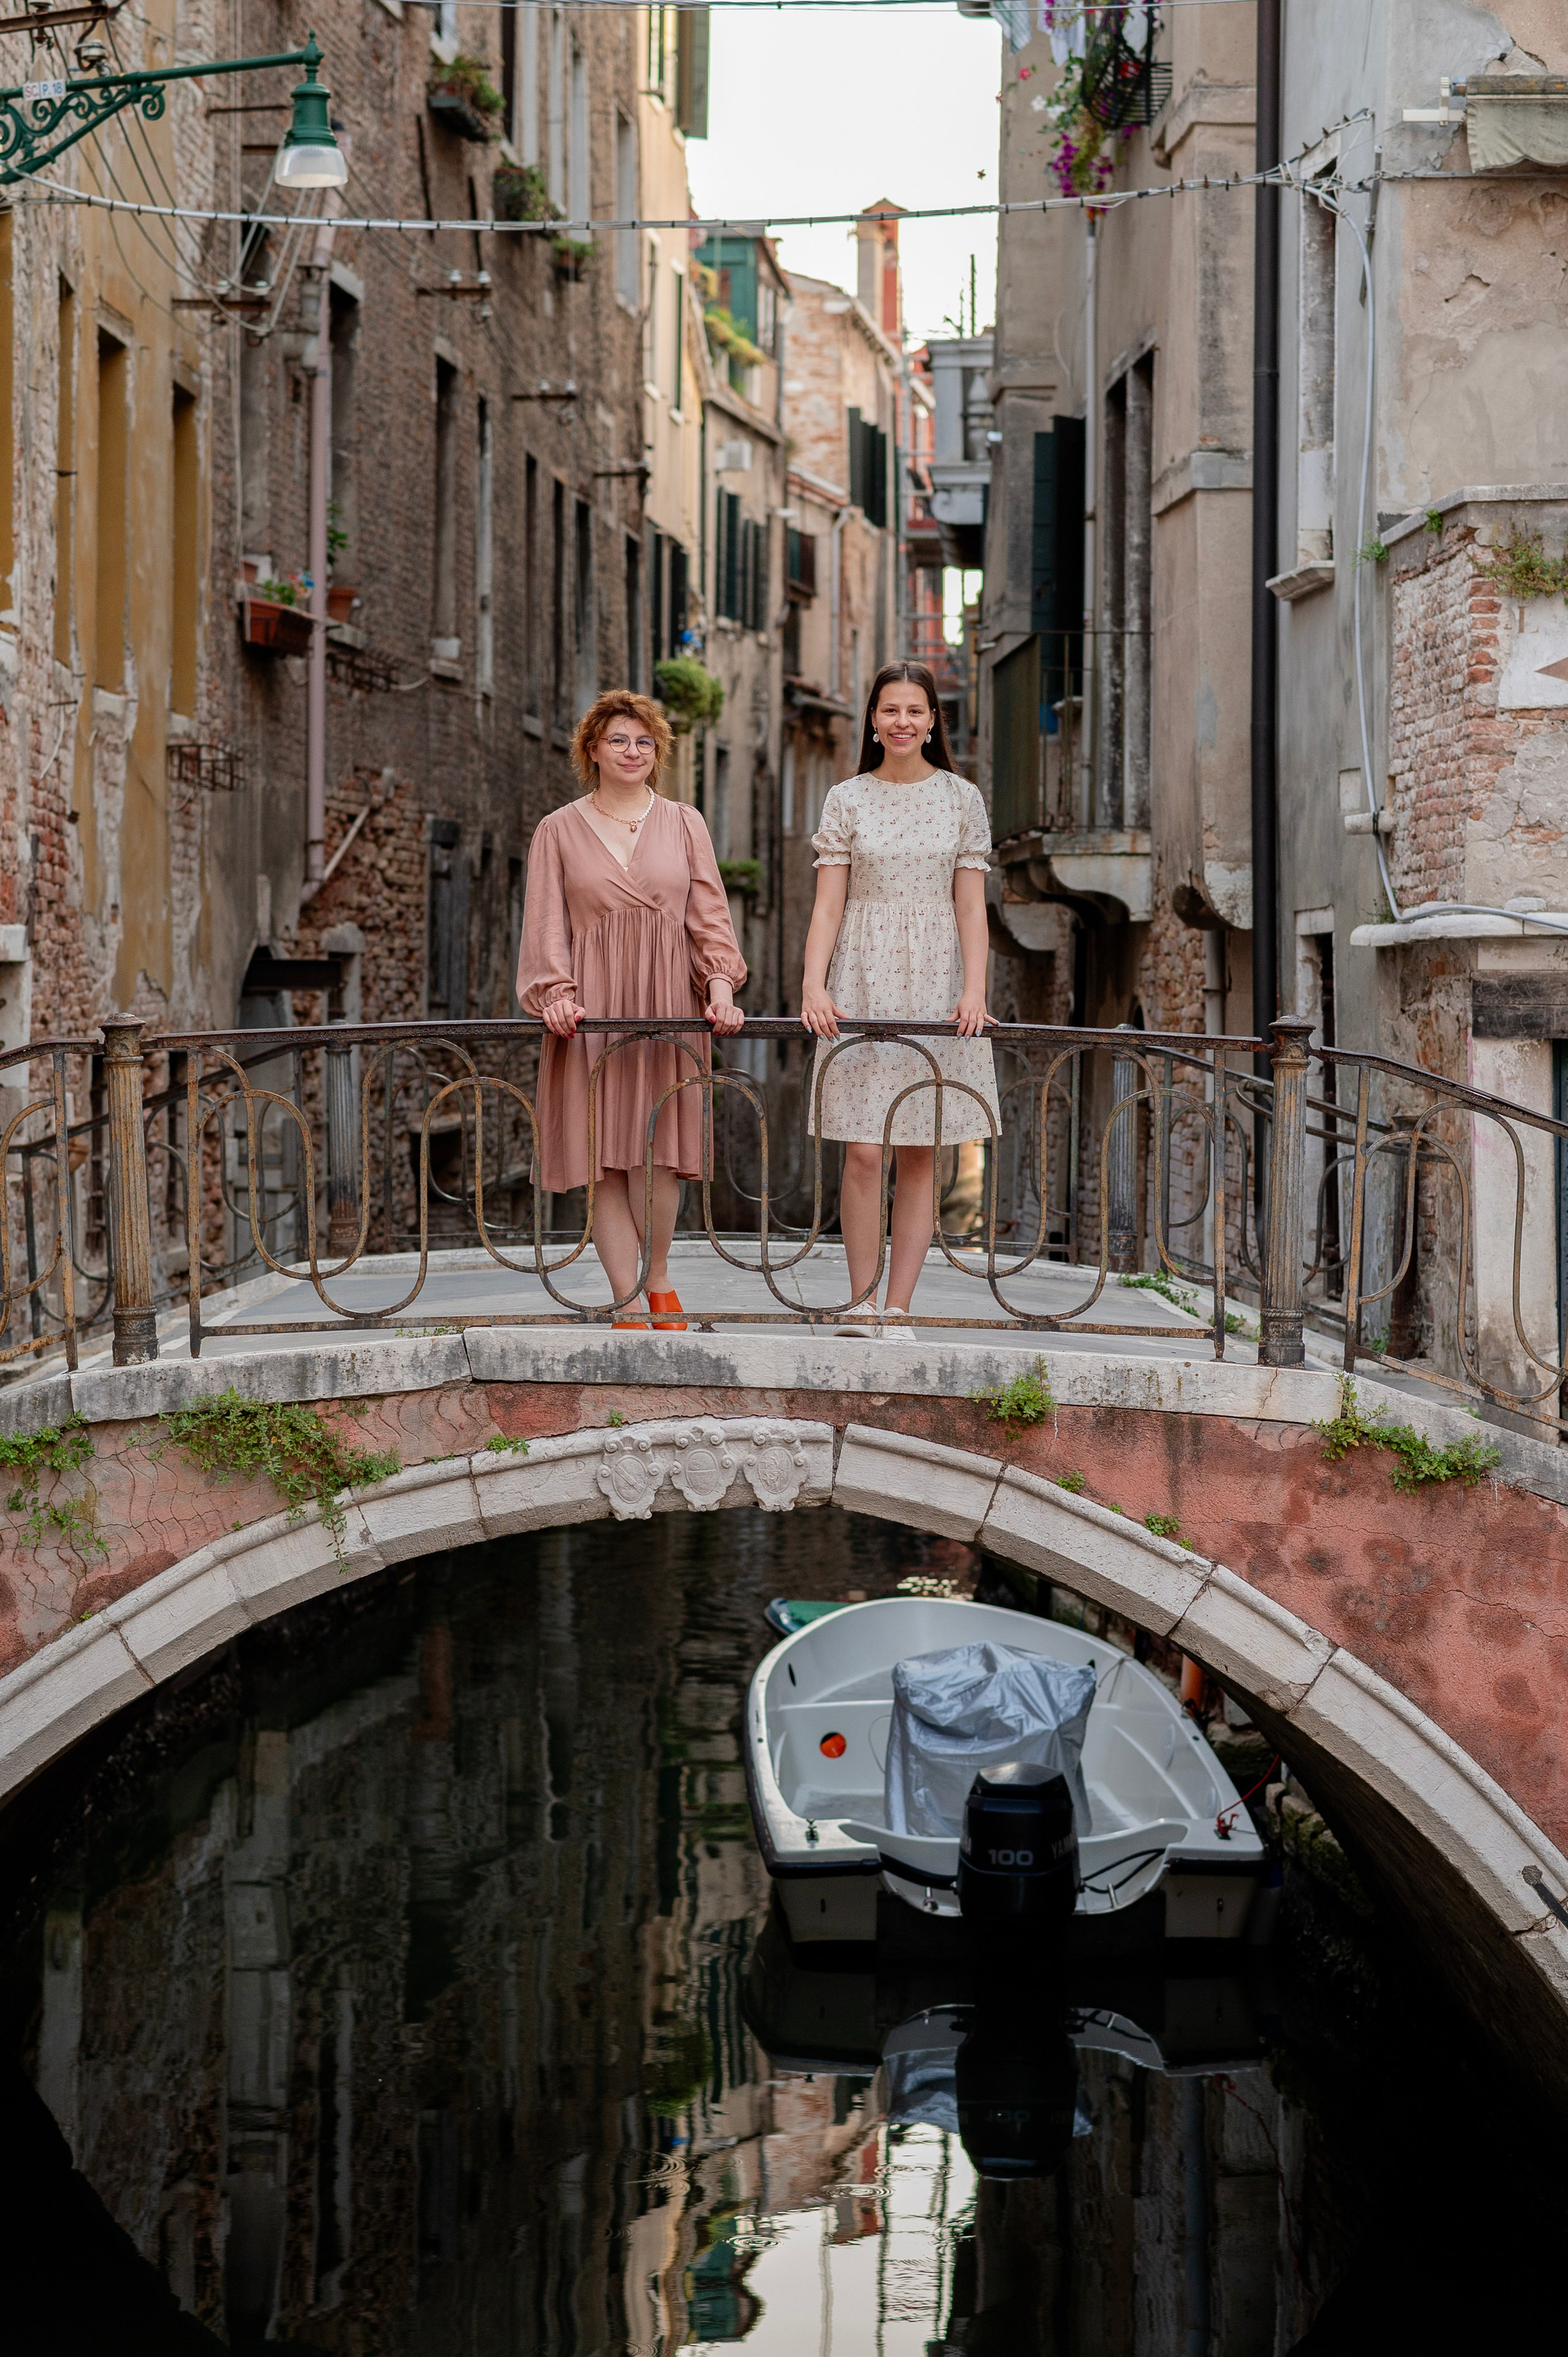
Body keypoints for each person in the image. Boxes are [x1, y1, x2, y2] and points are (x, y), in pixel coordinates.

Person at [516, 689, 746, 1329]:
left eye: (644, 741)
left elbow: (709, 920)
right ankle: (624, 1301)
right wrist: (555, 993)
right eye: (618, 740)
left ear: (657, 751)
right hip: (591, 1009)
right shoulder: (557, 829)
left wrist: (721, 987)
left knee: (658, 1151)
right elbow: (544, 925)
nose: (632, 751)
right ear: (592, 749)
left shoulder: (684, 822)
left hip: (668, 1005)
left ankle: (660, 1279)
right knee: (604, 1160)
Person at [799, 660, 998, 1328]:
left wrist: (973, 989)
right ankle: (860, 1300)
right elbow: (827, 907)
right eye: (890, 710)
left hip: (935, 980)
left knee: (919, 1150)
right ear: (874, 722)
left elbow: (971, 908)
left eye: (915, 710)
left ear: (933, 720)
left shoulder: (960, 798)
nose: (903, 721)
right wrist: (813, 984)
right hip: (860, 976)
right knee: (862, 1148)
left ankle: (897, 1306)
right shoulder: (846, 798)